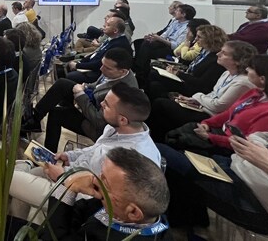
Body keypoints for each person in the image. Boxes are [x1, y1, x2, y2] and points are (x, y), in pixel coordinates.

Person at [159, 72, 268, 236]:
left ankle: (173, 228)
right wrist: (260, 148)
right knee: (180, 155)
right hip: (238, 169)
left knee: (165, 154)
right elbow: (263, 136)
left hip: (263, 206)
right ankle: (185, 224)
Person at [9, 84, 161, 221]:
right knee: (22, 177)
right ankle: (16, 226)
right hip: (69, 175)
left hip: (77, 199)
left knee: (9, 177)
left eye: (106, 105)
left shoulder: (134, 157)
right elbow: (93, 150)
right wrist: (69, 156)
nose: (100, 104)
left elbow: (100, 199)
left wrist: (62, 177)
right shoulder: (117, 128)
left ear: (123, 119)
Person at [171, 55, 268, 155]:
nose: (247, 70)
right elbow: (229, 113)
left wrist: (210, 137)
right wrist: (207, 124)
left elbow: (248, 143)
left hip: (229, 148)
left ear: (262, 79)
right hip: (220, 134)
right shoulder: (256, 93)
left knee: (178, 139)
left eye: (251, 68)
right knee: (179, 133)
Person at [35, 148, 171, 241]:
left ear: (134, 212)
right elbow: (81, 208)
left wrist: (69, 187)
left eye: (104, 181)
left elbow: (52, 237)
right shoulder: (126, 205)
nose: (94, 179)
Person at [146, 40, 257, 142]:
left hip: (211, 117)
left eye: (224, 53)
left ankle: (156, 141)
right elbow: (213, 95)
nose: (218, 54)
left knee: (160, 104)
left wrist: (198, 98)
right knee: (163, 102)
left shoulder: (243, 82)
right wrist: (193, 100)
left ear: (237, 61)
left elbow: (218, 106)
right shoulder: (227, 73)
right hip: (204, 107)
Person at [29, 48, 138, 149]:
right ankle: (35, 119)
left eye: (107, 68)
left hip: (98, 127)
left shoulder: (123, 92)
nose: (101, 69)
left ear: (122, 71)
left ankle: (49, 156)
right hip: (93, 100)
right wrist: (84, 86)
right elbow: (97, 85)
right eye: (102, 64)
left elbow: (99, 122)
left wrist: (80, 95)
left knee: (56, 114)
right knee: (62, 84)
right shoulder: (113, 72)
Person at [145, 24, 227, 100]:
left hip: (194, 88)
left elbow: (201, 83)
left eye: (199, 37)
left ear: (209, 39)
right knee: (153, 74)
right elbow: (183, 59)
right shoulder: (204, 50)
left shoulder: (215, 59)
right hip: (187, 79)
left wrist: (179, 73)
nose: (195, 39)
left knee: (155, 82)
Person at [133, 4, 196, 85]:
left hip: (172, 49)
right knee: (140, 42)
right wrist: (154, 37)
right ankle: (140, 70)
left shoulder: (187, 27)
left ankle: (140, 72)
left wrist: (159, 39)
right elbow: (165, 33)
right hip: (164, 43)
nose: (175, 12)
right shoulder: (175, 21)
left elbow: (175, 46)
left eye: (177, 11)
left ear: (183, 14)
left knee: (147, 47)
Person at [64, 16, 130, 83]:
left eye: (108, 25)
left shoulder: (119, 45)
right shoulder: (112, 39)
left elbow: (100, 64)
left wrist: (77, 65)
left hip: (98, 74)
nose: (104, 25)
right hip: (92, 66)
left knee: (71, 75)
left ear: (115, 30)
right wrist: (81, 62)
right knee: (67, 66)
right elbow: (96, 54)